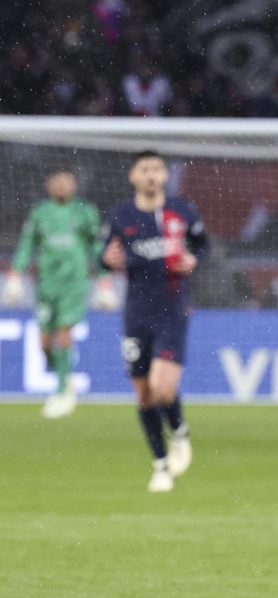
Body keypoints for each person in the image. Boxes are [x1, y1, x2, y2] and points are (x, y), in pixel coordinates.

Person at [101, 150, 208, 493]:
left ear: (164, 175)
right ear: (133, 175)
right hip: (135, 314)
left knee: (163, 388)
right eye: (145, 169)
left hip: (173, 310)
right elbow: (104, 256)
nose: (151, 174)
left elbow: (202, 246)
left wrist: (193, 259)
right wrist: (106, 260)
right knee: (145, 395)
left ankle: (179, 431)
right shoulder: (121, 215)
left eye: (157, 169)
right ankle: (161, 466)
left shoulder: (183, 211)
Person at [3, 169, 117, 418]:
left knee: (64, 332)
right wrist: (15, 275)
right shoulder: (40, 213)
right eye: (58, 182)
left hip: (74, 283)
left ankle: (63, 389)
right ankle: (64, 375)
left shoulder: (85, 212)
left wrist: (104, 280)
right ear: (49, 185)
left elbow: (95, 246)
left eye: (68, 181)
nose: (63, 186)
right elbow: (26, 245)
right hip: (46, 284)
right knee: (44, 343)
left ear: (74, 185)